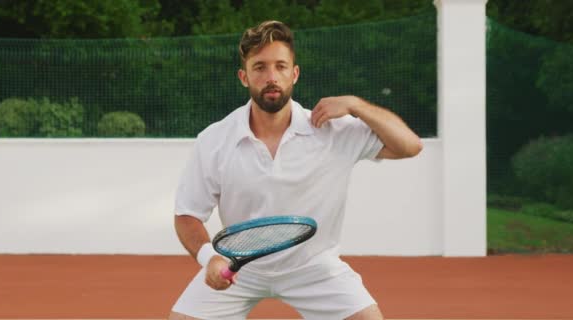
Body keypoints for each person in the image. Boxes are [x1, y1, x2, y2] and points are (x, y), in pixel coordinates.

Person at [170, 20, 422, 320]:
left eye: (280, 66)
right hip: (240, 267)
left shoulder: (332, 131)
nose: (271, 77)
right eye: (260, 67)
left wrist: (356, 106)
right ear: (243, 76)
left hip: (314, 267)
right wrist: (210, 258)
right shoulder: (214, 139)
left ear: (295, 73)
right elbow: (187, 215)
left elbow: (410, 146)